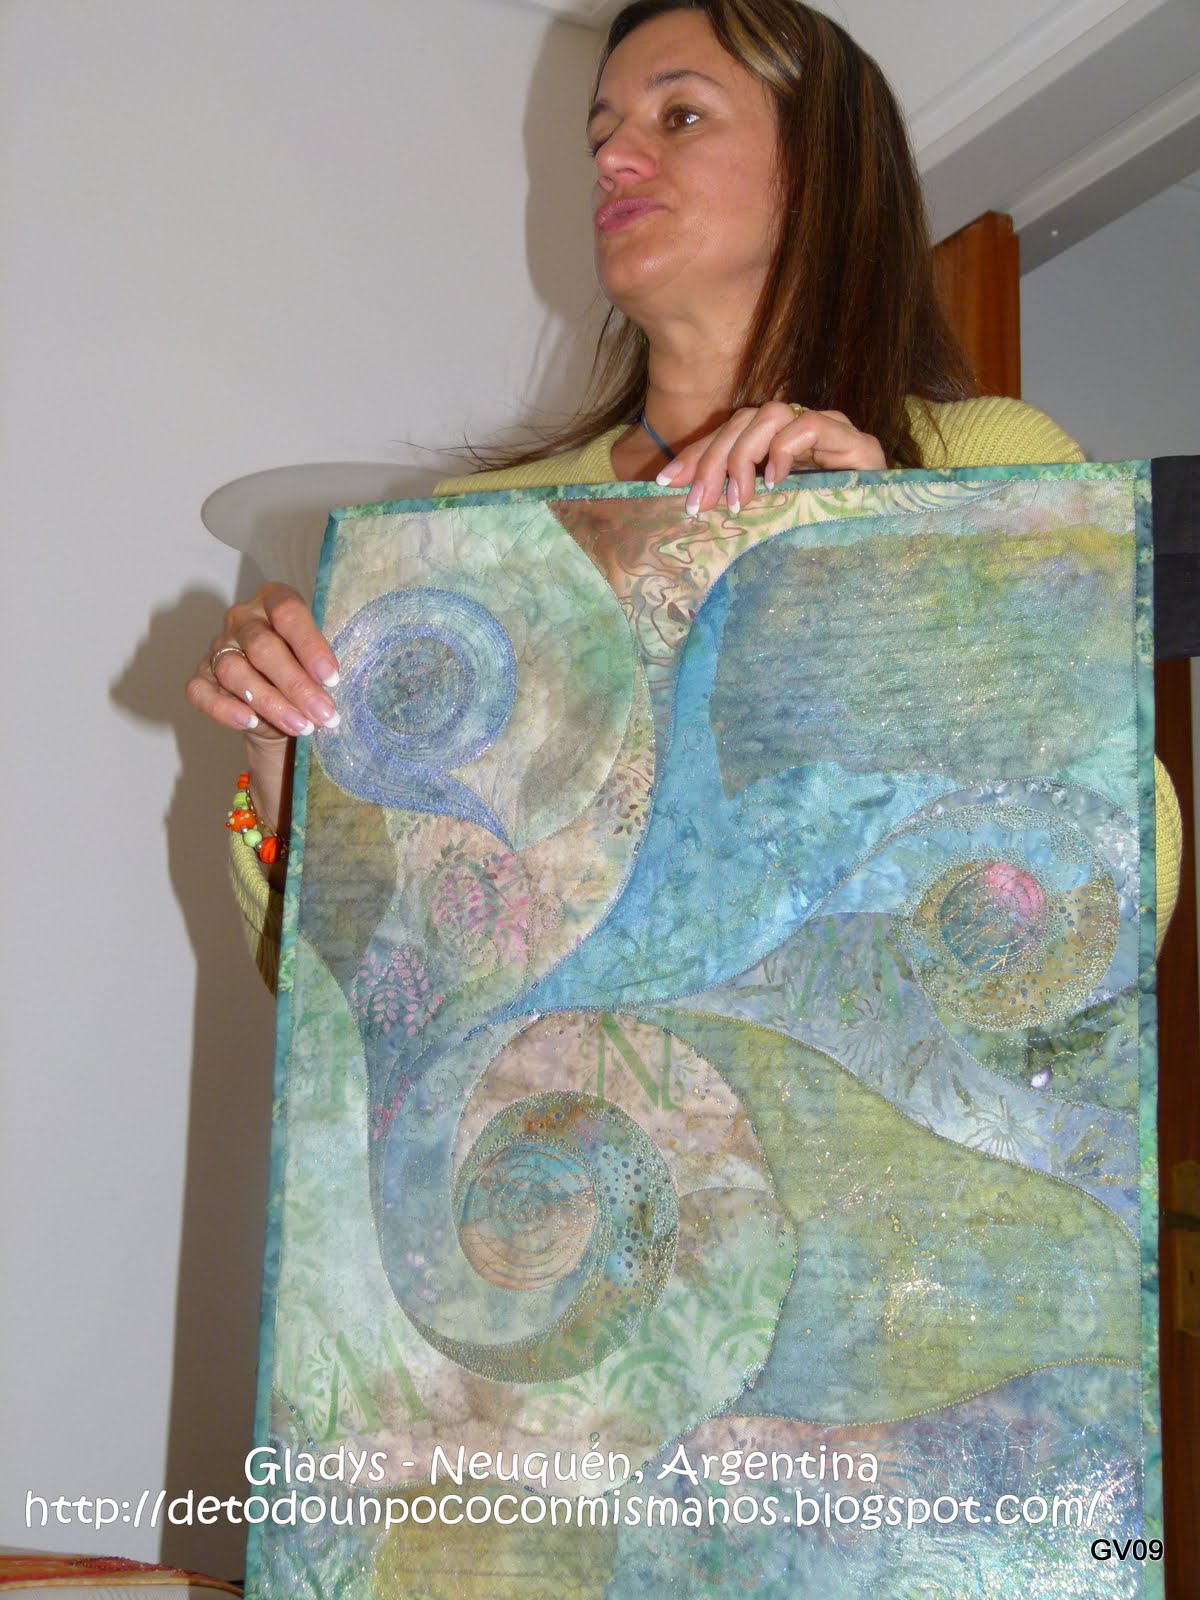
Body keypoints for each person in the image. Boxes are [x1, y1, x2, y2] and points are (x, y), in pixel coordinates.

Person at [186, 0, 1181, 985]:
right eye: (602, 135)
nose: (614, 159)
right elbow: (368, 986)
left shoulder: (988, 464)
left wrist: (894, 571)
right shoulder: (479, 525)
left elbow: (1129, 896)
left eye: (681, 116)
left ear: (820, 168)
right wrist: (288, 763)